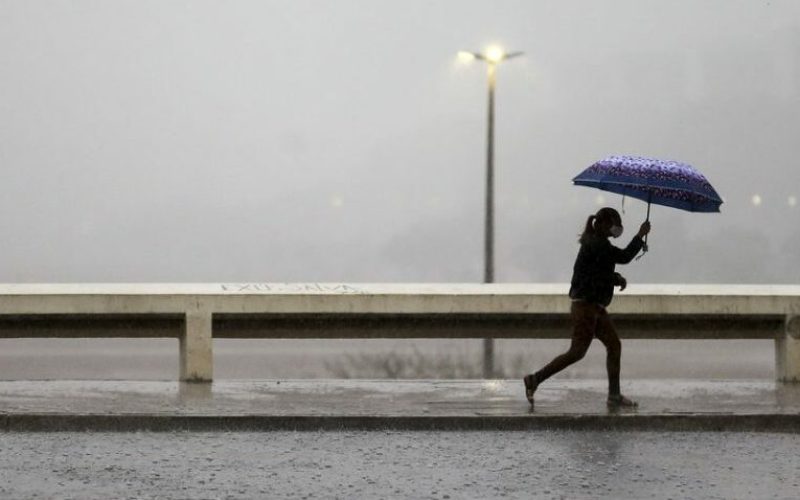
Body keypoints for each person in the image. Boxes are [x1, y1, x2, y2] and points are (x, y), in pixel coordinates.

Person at [524, 207, 651, 408]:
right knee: (577, 352)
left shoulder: (597, 244)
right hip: (586, 308)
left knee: (613, 345)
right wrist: (640, 236)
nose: (615, 228)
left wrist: (615, 278)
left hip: (594, 307)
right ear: (601, 224)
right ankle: (535, 379)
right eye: (613, 224)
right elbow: (623, 257)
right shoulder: (597, 245)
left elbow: (600, 272)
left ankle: (614, 396)